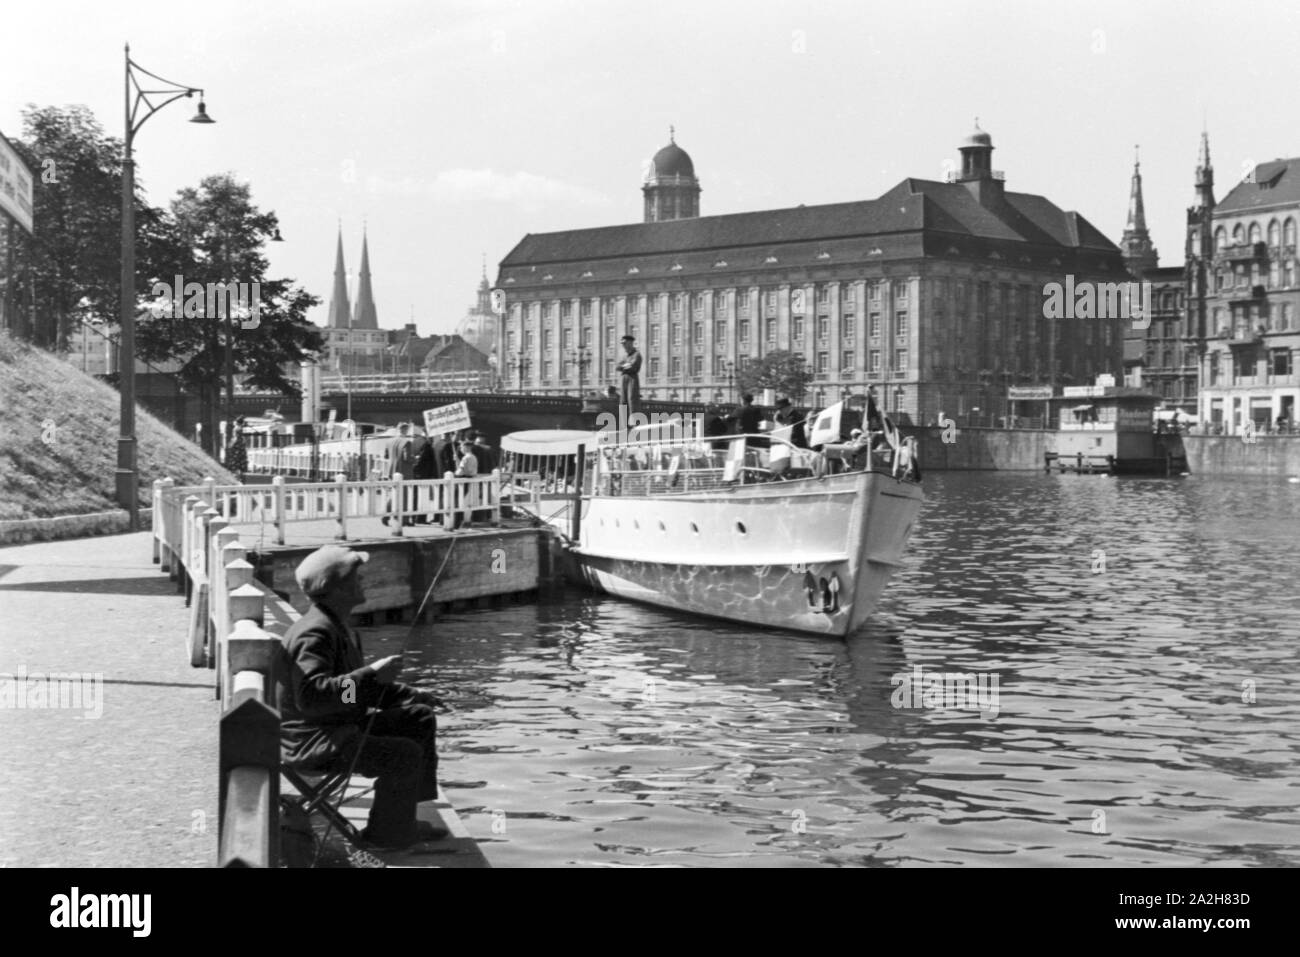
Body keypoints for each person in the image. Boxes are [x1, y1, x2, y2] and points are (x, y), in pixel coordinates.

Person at [277, 545, 446, 849]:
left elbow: (352, 691)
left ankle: (401, 819)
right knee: (403, 754)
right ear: (335, 588)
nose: (363, 582)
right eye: (356, 578)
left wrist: (412, 694)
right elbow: (314, 697)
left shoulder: (338, 627)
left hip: (336, 726)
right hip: (315, 741)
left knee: (418, 717)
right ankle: (387, 836)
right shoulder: (314, 633)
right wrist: (370, 674)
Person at [383, 423, 416, 527]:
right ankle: (404, 519)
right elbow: (407, 458)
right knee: (404, 496)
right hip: (403, 471)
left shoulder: (389, 441)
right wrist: (415, 458)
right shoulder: (407, 442)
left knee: (393, 494)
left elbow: (386, 455)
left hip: (392, 470)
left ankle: (386, 515)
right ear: (406, 430)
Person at [452, 439, 478, 529]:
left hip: (462, 480)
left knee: (457, 501)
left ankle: (456, 523)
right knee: (461, 501)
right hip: (469, 479)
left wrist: (455, 473)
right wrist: (457, 460)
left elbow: (461, 471)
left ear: (466, 447)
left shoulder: (466, 458)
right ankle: (459, 522)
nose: (461, 449)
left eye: (462, 447)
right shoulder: (473, 457)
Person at [615, 335, 642, 415]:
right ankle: (623, 424)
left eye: (624, 343)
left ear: (630, 343)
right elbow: (617, 367)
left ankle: (634, 422)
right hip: (624, 378)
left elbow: (632, 366)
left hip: (632, 378)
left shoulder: (636, 354)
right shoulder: (625, 356)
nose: (623, 345)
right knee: (623, 400)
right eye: (622, 344)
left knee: (632, 399)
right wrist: (626, 365)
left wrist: (624, 366)